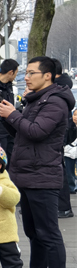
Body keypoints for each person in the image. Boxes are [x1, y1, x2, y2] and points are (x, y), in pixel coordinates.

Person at [0, 56, 75, 268]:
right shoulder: (36, 100)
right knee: (34, 231)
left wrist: (13, 115)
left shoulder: (55, 103)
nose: (26, 77)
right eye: (26, 73)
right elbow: (23, 134)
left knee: (49, 232)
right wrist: (8, 117)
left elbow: (36, 132)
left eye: (31, 73)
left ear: (47, 76)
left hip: (43, 176)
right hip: (28, 174)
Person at [53, 60, 75, 218]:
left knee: (58, 171)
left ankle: (64, 207)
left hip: (58, 135)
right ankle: (62, 206)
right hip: (60, 134)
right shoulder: (62, 87)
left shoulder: (58, 90)